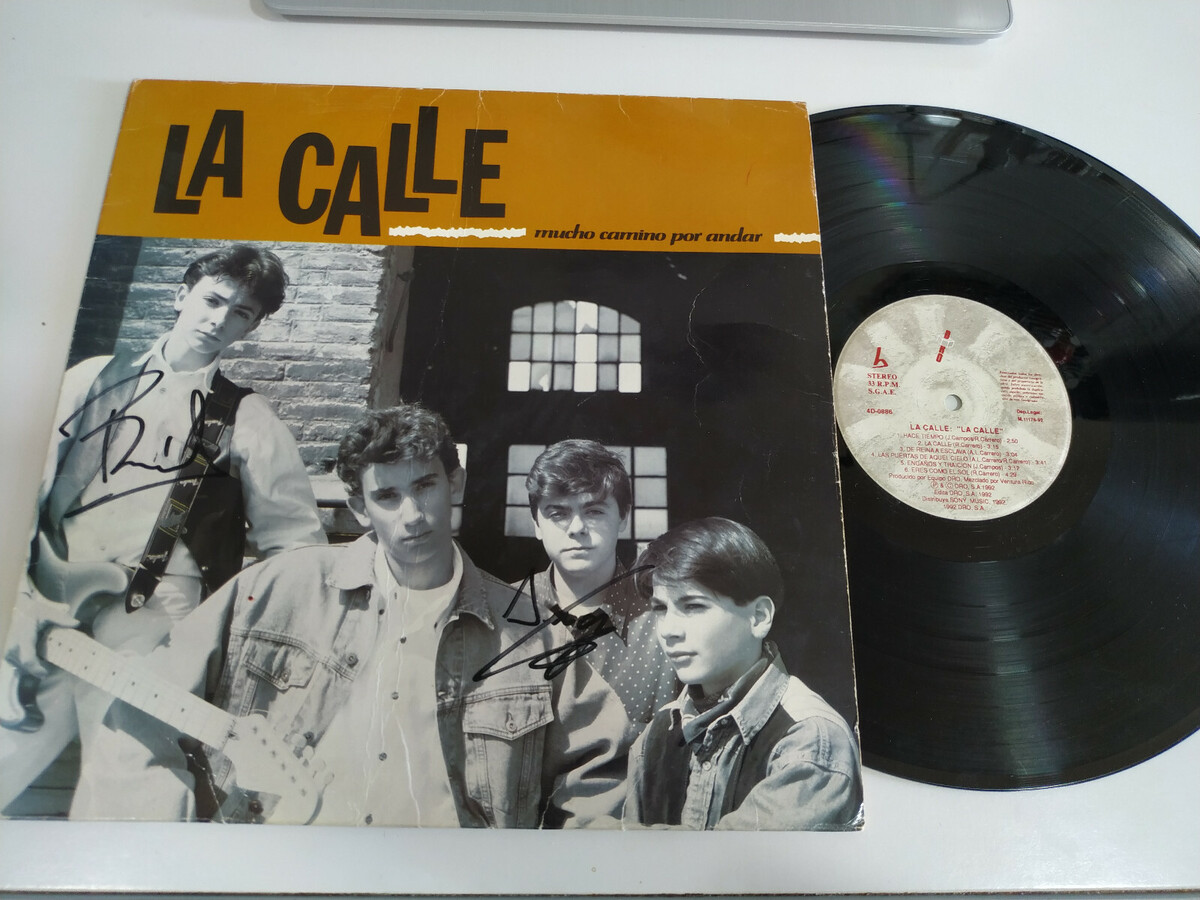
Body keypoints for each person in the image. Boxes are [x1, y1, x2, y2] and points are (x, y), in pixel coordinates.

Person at [78, 404, 632, 827]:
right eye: (387, 497)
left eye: (425, 486)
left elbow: (596, 783)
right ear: (359, 507)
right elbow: (138, 716)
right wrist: (172, 853)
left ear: (455, 483)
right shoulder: (276, 590)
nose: (412, 515)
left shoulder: (531, 630)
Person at [0, 244, 326, 815]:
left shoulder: (247, 417)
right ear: (181, 295)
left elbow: (295, 545)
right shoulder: (91, 378)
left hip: (157, 615)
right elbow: (21, 490)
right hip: (45, 599)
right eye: (212, 300)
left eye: (240, 313)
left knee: (134, 776)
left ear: (251, 327)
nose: (219, 320)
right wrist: (17, 600)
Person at [622, 517, 863, 830]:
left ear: (759, 617)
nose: (669, 630)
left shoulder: (809, 737)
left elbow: (737, 859)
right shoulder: (658, 732)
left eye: (693, 606)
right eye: (660, 609)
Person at [519, 439, 676, 725]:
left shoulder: (667, 618)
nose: (577, 528)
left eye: (593, 511)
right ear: (536, 525)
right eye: (558, 513)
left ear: (623, 517)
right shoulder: (501, 613)